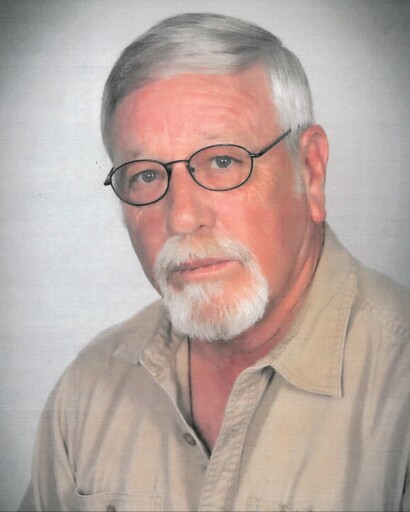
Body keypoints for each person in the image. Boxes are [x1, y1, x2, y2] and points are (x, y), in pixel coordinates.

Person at [20, 12, 410, 512]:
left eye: (223, 161)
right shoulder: (89, 390)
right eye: (145, 175)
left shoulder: (399, 381)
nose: (182, 217)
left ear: (310, 170)